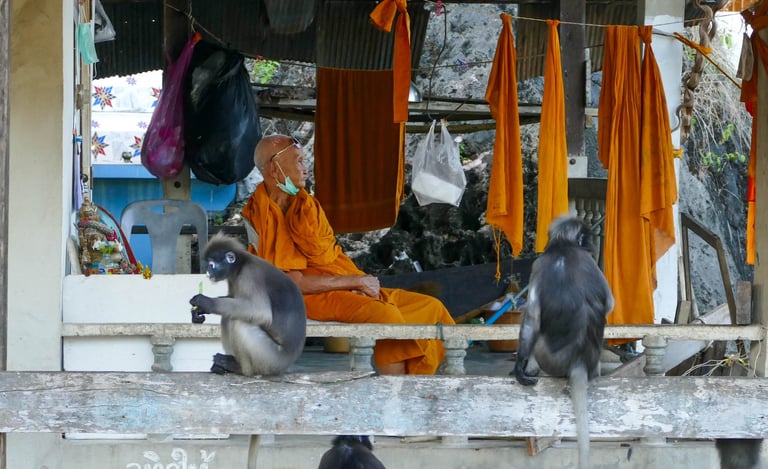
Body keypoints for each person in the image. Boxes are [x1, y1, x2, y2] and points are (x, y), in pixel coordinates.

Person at [241, 134, 455, 375]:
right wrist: (354, 282)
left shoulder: (303, 203)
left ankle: (416, 381)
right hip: (308, 296)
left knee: (430, 307)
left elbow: (327, 257)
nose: (305, 167)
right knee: (384, 313)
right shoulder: (264, 213)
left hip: (338, 281)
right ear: (274, 167)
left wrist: (352, 282)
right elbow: (293, 282)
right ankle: (396, 392)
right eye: (299, 160)